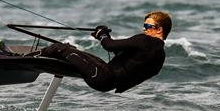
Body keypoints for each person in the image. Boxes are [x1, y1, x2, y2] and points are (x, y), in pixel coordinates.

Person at [40, 11, 172, 93]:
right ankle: (59, 56)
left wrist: (102, 35)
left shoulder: (145, 41)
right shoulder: (160, 56)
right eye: (144, 26)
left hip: (103, 76)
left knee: (58, 47)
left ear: (159, 29)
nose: (144, 29)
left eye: (148, 26)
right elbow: (129, 65)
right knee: (72, 52)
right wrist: (103, 37)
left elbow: (110, 46)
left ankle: (28, 57)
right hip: (107, 83)